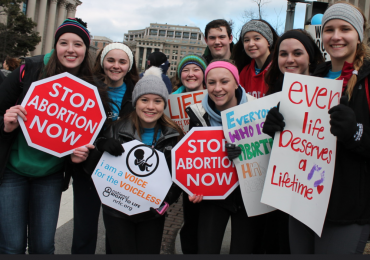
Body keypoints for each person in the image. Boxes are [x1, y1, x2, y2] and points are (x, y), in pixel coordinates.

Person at [263, 2, 370, 254]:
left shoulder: (367, 79)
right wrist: (277, 126)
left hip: (345, 208)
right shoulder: (313, 78)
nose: (336, 36)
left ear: (358, 35)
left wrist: (355, 132)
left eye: (345, 29)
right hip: (302, 198)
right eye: (330, 29)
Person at [0, 18, 94, 254]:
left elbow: (90, 136)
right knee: (12, 246)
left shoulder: (89, 86)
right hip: (12, 171)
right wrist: (6, 125)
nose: (70, 50)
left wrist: (80, 152)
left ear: (85, 50)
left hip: (50, 175)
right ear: (55, 46)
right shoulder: (28, 70)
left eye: (78, 44)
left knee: (43, 246)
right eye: (64, 43)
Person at [84, 66, 184, 254]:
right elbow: (90, 170)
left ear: (164, 104)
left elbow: (178, 179)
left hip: (152, 214)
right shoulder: (115, 129)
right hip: (117, 211)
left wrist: (163, 205)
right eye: (144, 100)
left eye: (157, 101)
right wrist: (100, 147)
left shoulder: (174, 135)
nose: (150, 106)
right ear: (136, 102)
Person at [185, 60, 264, 254]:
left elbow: (266, 153)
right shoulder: (197, 114)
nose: (217, 88)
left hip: (248, 196)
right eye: (211, 82)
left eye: (224, 81)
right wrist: (193, 185)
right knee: (206, 248)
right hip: (214, 194)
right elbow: (193, 159)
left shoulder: (259, 110)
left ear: (237, 83)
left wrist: (244, 152)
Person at [71, 43, 139, 254]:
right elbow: (74, 124)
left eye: (122, 61)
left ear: (129, 66)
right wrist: (100, 142)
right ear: (102, 62)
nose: (116, 66)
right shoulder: (86, 87)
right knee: (84, 230)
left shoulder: (138, 91)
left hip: (120, 170)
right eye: (111, 60)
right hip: (88, 167)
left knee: (117, 233)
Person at [261, 29, 324, 254]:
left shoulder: (327, 90)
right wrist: (269, 131)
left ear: (311, 57)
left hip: (313, 190)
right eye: (283, 54)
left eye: (297, 53)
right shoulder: (273, 92)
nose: (290, 60)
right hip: (279, 191)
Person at [231, 19, 279, 98]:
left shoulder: (279, 69)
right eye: (246, 40)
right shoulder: (244, 72)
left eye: (257, 38)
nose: (250, 44)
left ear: (268, 41)